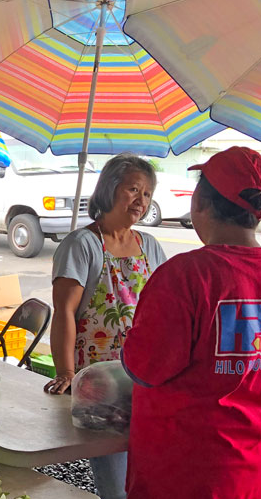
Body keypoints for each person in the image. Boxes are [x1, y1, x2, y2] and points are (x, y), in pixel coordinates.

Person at [121, 147, 261, 499]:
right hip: (253, 472)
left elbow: (144, 368)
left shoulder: (184, 277)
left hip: (183, 473)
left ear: (201, 203)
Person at [44, 154, 167, 499]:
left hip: (144, 379)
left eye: (147, 193)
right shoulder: (81, 245)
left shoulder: (151, 247)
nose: (141, 201)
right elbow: (64, 312)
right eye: (133, 190)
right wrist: (67, 373)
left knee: (146, 473)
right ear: (110, 190)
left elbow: (165, 310)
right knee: (115, 481)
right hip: (98, 381)